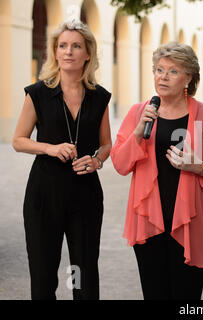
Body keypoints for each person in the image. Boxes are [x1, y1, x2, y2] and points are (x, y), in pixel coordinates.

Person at [110, 42, 203, 300]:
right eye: (158, 70)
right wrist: (136, 132)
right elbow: (120, 164)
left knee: (186, 296)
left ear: (188, 77)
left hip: (190, 222)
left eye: (173, 71)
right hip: (148, 220)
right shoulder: (139, 112)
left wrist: (198, 166)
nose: (163, 77)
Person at [12, 20, 112, 300]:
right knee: (43, 276)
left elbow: (106, 145)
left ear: (87, 54)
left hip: (86, 197)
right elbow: (18, 140)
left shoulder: (99, 97)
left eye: (76, 46)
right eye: (62, 45)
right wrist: (49, 148)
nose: (68, 51)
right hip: (45, 195)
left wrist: (96, 161)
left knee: (82, 276)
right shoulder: (38, 94)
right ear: (55, 52)